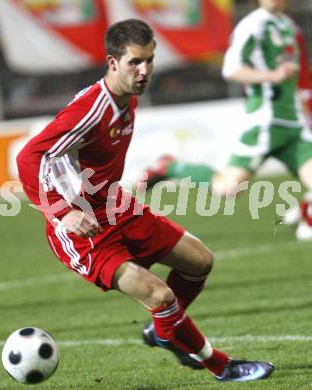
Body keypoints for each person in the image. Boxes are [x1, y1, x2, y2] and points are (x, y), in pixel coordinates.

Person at [17, 18, 274, 382]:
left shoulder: (128, 99)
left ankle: (165, 331)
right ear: (112, 63)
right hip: (82, 230)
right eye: (135, 62)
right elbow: (30, 156)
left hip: (115, 205)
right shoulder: (91, 110)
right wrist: (63, 213)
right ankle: (221, 365)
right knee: (160, 296)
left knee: (199, 261)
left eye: (149, 60)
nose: (144, 70)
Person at [138, 0, 312, 241]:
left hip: (294, 123)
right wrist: (272, 76)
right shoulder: (251, 25)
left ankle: (304, 218)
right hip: (265, 123)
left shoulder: (288, 26)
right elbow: (231, 69)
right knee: (229, 189)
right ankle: (171, 166)